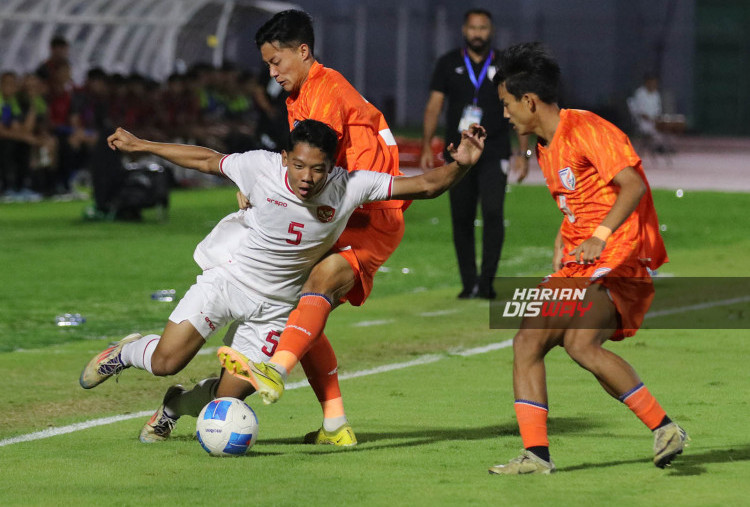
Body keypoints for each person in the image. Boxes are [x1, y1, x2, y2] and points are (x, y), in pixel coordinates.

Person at [79, 119, 486, 444]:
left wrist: (462, 163)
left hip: (276, 310)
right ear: (285, 156)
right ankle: (128, 352)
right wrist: (143, 144)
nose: (307, 177)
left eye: (318, 168)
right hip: (228, 281)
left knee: (224, 401)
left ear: (332, 166)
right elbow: (206, 160)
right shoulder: (260, 167)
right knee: (166, 362)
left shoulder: (349, 185)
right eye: (299, 165)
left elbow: (428, 185)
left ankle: (172, 409)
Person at [485, 42, 687, 475]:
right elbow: (581, 199)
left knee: (554, 341)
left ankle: (661, 429)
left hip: (618, 254)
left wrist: (598, 235)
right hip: (584, 260)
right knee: (550, 342)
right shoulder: (545, 144)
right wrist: (567, 232)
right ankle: (541, 454)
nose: (504, 114)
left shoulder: (587, 129)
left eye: (506, 104)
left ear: (529, 101)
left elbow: (631, 185)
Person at [224, 10, 406, 419]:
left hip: (370, 216)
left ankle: (273, 370)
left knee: (313, 291)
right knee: (304, 311)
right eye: (267, 63)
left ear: (303, 51)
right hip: (345, 214)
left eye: (276, 61)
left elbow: (312, 171)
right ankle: (334, 421)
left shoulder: (325, 92)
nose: (272, 72)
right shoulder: (301, 96)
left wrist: (262, 191)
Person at [420, 8, 529, 300]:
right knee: (461, 217)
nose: (478, 33)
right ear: (464, 31)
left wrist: (523, 152)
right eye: (473, 28)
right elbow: (434, 106)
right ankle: (469, 284)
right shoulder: (448, 63)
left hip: (495, 149)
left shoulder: (505, 63)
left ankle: (488, 283)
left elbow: (519, 106)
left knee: (493, 214)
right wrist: (426, 146)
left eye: (483, 28)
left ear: (491, 31)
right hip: (459, 152)